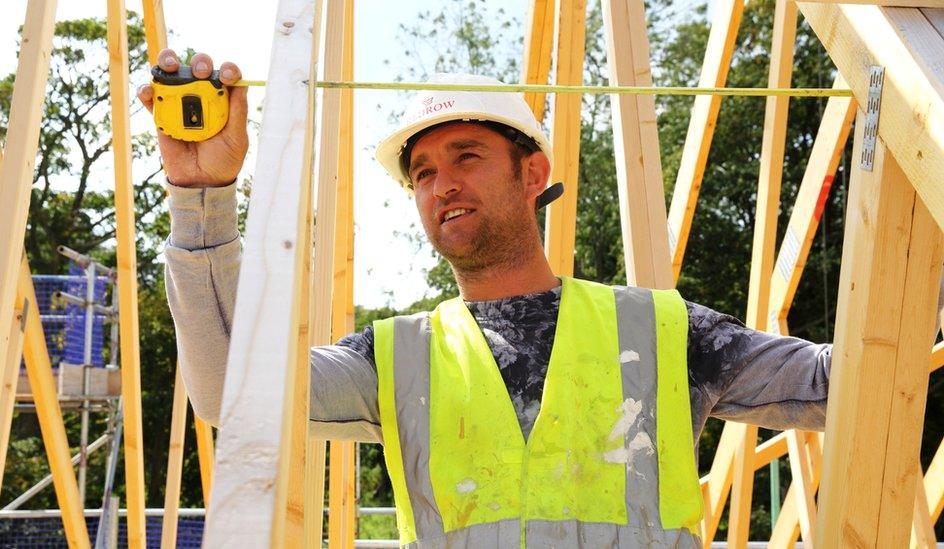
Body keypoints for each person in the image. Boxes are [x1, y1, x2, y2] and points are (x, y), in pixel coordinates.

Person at [139, 50, 831, 548]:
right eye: (423, 172)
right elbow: (232, 391)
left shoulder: (663, 333)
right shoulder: (395, 359)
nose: (441, 184)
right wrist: (202, 197)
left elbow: (842, 381)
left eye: (466, 156)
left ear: (532, 173)